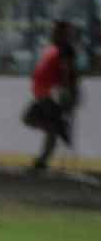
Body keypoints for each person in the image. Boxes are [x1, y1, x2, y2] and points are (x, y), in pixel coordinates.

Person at [25, 21, 78, 172]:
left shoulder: (65, 49)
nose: (52, 33)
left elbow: (66, 70)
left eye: (55, 31)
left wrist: (65, 91)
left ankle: (43, 158)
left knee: (31, 118)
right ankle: (57, 130)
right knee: (49, 125)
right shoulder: (54, 48)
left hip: (53, 93)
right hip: (44, 92)